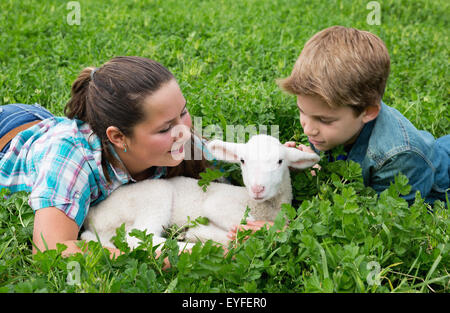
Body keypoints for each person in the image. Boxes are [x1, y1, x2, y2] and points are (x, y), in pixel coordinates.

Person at [229, 25, 449, 238]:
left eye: (323, 120)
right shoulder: (336, 123)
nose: (308, 127)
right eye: (302, 111)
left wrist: (291, 232)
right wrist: (314, 161)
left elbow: (382, 225)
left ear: (368, 112)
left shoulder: (400, 156)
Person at [0, 56, 208, 258]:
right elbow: (50, 250)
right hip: (7, 135)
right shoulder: (71, 158)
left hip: (40, 122)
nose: (184, 132)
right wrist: (168, 256)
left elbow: (238, 165)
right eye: (165, 129)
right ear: (118, 137)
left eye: (183, 112)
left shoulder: (180, 139)